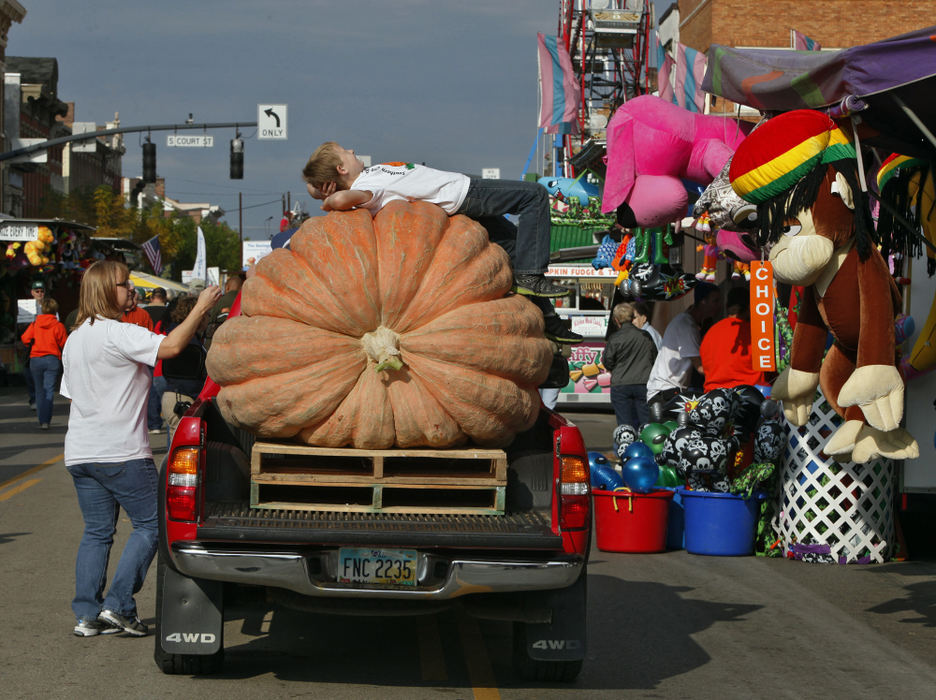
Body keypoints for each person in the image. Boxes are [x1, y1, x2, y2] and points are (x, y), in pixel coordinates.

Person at [61, 260, 220, 637]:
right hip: (121, 452)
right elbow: (172, 346)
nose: (131, 290)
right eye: (123, 284)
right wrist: (200, 307)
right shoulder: (117, 333)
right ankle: (118, 605)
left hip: (82, 452)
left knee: (97, 532)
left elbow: (72, 394)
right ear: (103, 291)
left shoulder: (74, 338)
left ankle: (87, 614)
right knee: (153, 523)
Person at [302, 142, 582, 343]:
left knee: (517, 247)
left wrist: (320, 184)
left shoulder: (370, 175)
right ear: (341, 167)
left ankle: (549, 322)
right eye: (345, 152)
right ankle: (532, 276)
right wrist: (325, 195)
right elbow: (340, 200)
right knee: (533, 195)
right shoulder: (369, 187)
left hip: (460, 198)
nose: (352, 151)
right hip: (463, 193)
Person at [646, 282, 722, 414]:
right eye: (715, 301)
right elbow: (700, 367)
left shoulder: (689, 322)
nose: (719, 306)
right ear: (703, 302)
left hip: (667, 390)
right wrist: (726, 376)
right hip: (666, 392)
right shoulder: (686, 324)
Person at [159, 295, 209, 442]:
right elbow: (189, 376)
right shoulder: (188, 342)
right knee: (181, 448)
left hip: (177, 395)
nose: (208, 318)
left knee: (178, 447)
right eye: (206, 314)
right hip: (182, 397)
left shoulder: (182, 337)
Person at [699, 285, 767, 392]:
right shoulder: (755, 333)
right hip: (747, 397)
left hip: (713, 397)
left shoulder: (711, 332)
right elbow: (767, 365)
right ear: (750, 308)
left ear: (727, 307)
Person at [603, 302, 658, 429]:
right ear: (633, 317)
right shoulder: (645, 335)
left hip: (621, 385)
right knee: (645, 424)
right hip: (643, 383)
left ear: (616, 320)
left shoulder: (615, 338)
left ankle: (625, 447)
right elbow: (654, 358)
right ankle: (644, 447)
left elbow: (607, 361)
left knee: (624, 426)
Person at [20, 297, 67, 430]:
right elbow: (64, 344)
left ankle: (42, 420)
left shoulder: (35, 324)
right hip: (52, 359)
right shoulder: (58, 325)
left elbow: (24, 339)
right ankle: (46, 420)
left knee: (40, 391)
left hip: (35, 359)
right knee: (49, 390)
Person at [19, 279, 47, 409]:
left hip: (44, 343)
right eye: (37, 291)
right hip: (30, 343)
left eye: (41, 291)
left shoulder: (49, 306)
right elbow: (20, 325)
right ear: (32, 292)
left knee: (43, 374)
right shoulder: (25, 306)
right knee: (28, 372)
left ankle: (43, 398)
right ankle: (33, 398)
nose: (39, 293)